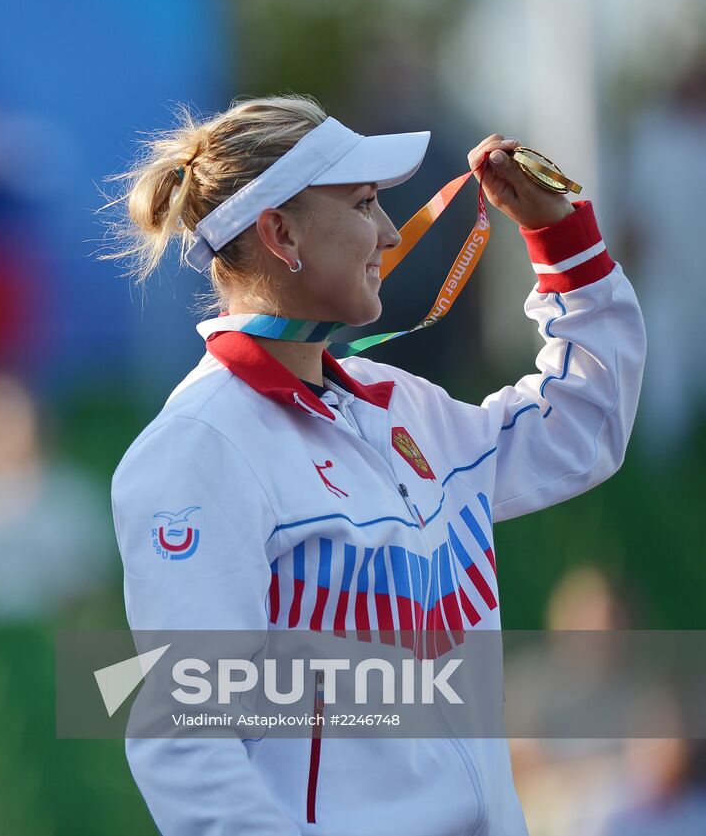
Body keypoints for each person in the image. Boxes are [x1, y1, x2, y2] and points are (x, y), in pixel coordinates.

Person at [108, 95, 644, 834]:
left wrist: (562, 239)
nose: (390, 233)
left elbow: (584, 424)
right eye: (364, 204)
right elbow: (185, 738)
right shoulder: (199, 446)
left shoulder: (401, 407)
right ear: (280, 232)